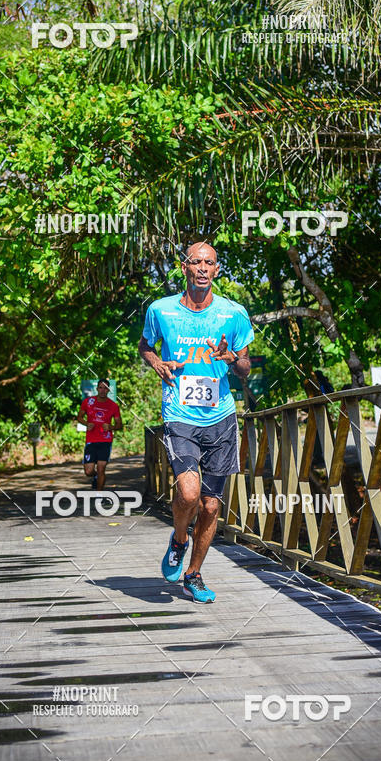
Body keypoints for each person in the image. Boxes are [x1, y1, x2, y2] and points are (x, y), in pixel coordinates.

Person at [139, 241, 253, 602]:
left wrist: (233, 358)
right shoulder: (161, 311)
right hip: (180, 414)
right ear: (184, 268)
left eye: (210, 263)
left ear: (217, 270)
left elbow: (246, 370)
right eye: (196, 262)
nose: (202, 268)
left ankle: (194, 573)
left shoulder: (233, 314)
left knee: (211, 505)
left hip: (221, 417)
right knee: (188, 493)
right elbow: (145, 345)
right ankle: (179, 539)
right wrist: (156, 362)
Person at [76, 379, 122, 489]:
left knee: (101, 468)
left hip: (105, 441)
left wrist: (110, 427)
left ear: (108, 390)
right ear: (97, 389)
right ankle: (96, 477)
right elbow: (79, 417)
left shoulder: (113, 406)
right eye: (100, 387)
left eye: (105, 388)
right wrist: (87, 424)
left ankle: (99, 495)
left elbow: (119, 425)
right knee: (88, 471)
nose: (102, 390)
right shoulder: (88, 402)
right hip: (91, 440)